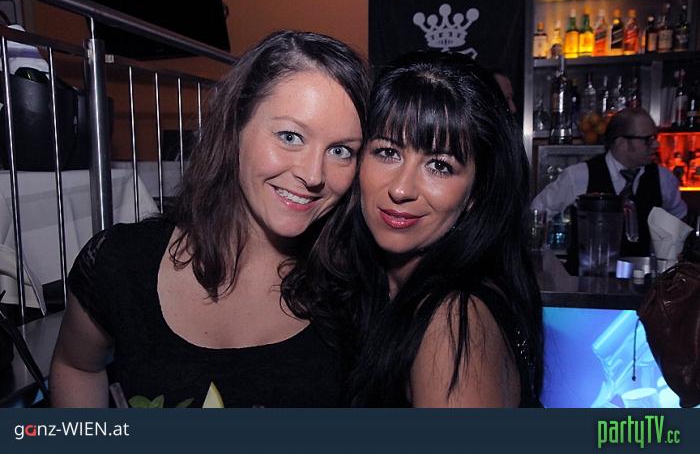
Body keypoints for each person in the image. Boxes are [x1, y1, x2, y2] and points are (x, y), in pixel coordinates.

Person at [50, 30, 369, 408]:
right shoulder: (122, 263)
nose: (314, 174)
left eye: (340, 150)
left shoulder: (359, 287)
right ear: (235, 126)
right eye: (290, 136)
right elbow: (77, 365)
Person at [284, 51, 543, 407]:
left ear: (476, 192)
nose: (401, 189)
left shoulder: (453, 324)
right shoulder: (376, 282)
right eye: (388, 152)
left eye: (439, 166)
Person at [532, 107, 687, 257]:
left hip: (643, 272)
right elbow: (536, 213)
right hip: (587, 272)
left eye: (655, 138)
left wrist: (665, 258)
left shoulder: (663, 178)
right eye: (648, 140)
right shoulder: (579, 175)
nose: (656, 145)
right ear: (621, 142)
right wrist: (546, 258)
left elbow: (678, 217)